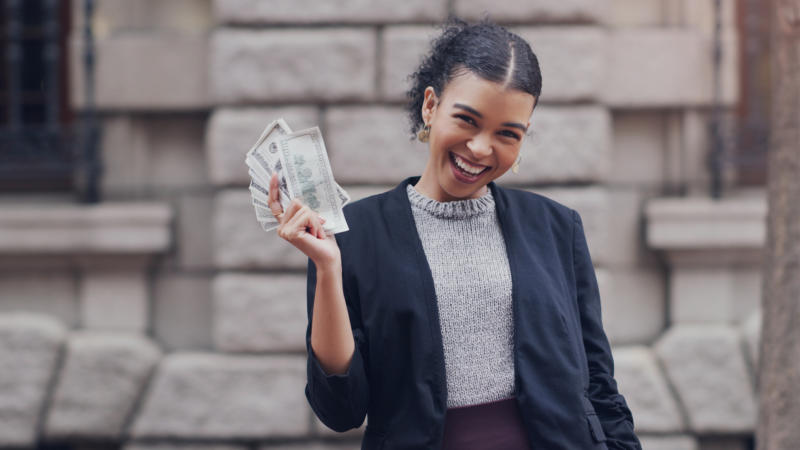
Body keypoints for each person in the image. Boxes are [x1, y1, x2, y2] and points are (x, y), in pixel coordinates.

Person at [268, 18, 641, 450]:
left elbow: (599, 385)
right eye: (467, 120)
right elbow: (341, 410)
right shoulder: (352, 236)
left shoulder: (557, 229)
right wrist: (328, 267)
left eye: (507, 133)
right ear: (431, 106)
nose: (481, 148)